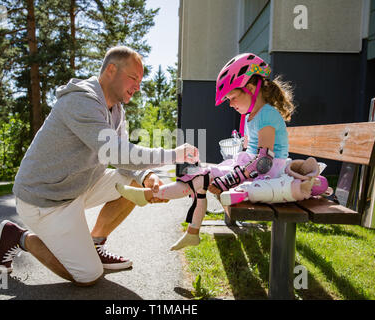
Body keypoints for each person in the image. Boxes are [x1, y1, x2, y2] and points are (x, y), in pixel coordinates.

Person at [0, 46, 198, 286]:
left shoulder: (117, 110)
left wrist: (147, 177)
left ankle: (95, 244)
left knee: (132, 181)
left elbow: (126, 161)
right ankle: (18, 236)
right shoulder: (80, 101)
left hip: (76, 187)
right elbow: (117, 153)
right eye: (134, 78)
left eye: (140, 80)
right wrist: (174, 154)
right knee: (88, 276)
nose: (138, 86)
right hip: (45, 200)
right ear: (111, 70)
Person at [115, 53, 296, 251]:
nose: (231, 104)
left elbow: (264, 161)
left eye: (233, 97)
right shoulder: (252, 115)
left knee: (201, 179)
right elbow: (252, 152)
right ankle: (192, 231)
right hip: (252, 169)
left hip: (265, 174)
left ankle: (148, 196)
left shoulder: (267, 114)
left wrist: (228, 179)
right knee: (199, 175)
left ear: (251, 89)